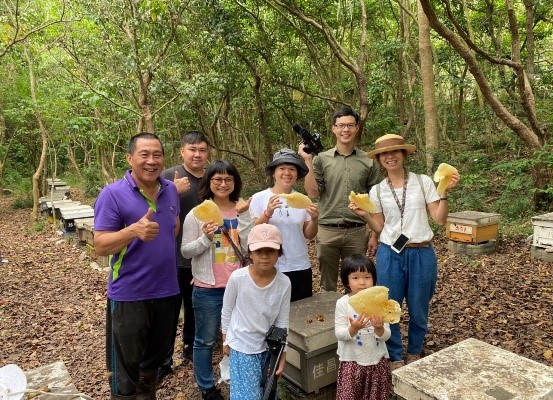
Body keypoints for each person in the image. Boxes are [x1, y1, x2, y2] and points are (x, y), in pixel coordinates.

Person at [349, 133, 460, 370]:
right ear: (379, 159)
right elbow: (380, 227)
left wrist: (444, 192)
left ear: (404, 154)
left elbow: (439, 220)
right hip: (390, 252)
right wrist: (366, 215)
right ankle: (396, 355)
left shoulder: (423, 182)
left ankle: (415, 352)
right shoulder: (378, 190)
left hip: (421, 252)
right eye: (384, 154)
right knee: (389, 306)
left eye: (395, 152)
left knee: (419, 306)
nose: (390, 157)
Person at [94, 132, 181, 400]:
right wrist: (132, 231)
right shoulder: (113, 194)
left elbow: (173, 228)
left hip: (167, 292)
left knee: (153, 364)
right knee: (125, 368)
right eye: (144, 154)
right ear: (130, 158)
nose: (151, 161)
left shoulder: (171, 190)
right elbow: (100, 246)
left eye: (157, 154)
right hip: (130, 293)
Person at [181, 160, 253, 400]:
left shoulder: (242, 208)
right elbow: (185, 251)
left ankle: (239, 377)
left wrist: (243, 217)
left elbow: (250, 244)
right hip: (208, 287)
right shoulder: (198, 213)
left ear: (235, 182)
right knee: (206, 339)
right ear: (208, 182)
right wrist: (204, 239)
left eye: (228, 179)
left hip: (240, 285)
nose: (223, 184)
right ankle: (206, 386)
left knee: (240, 335)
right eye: (217, 179)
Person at [298, 106, 381, 292]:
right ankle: (329, 320)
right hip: (327, 230)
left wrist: (374, 235)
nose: (346, 130)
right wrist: (308, 161)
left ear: (357, 128)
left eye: (350, 125)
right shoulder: (321, 159)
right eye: (341, 125)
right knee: (327, 285)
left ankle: (355, 320)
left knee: (358, 284)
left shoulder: (368, 161)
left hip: (357, 231)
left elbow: (376, 202)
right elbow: (313, 193)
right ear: (334, 128)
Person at [159, 131, 210, 380]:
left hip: (201, 255)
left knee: (194, 306)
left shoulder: (212, 178)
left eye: (202, 149)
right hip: (172, 257)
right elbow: (149, 206)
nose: (197, 154)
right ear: (182, 152)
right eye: (192, 149)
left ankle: (190, 348)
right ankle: (164, 360)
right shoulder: (169, 176)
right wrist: (171, 191)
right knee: (170, 309)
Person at [221, 223, 291, 400]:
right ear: (250, 253)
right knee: (247, 396)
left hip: (269, 348)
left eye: (271, 251)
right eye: (259, 251)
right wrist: (225, 339)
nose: (265, 256)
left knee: (266, 393)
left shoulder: (284, 283)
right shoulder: (238, 278)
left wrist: (283, 354)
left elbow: (282, 321)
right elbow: (227, 309)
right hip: (242, 345)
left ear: (279, 253)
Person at [250, 148, 319, 301]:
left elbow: (309, 234)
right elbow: (251, 231)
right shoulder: (259, 198)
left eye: (292, 169)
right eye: (282, 168)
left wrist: (314, 219)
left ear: (297, 174)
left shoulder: (303, 200)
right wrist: (267, 213)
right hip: (270, 266)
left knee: (301, 313)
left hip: (300, 265)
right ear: (274, 172)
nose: (287, 173)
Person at [335, 254, 391, 400]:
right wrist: (353, 329)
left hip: (376, 362)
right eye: (355, 278)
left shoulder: (380, 302)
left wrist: (379, 329)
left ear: (374, 279)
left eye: (367, 277)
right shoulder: (343, 303)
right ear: (347, 281)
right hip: (351, 362)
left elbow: (387, 335)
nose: (362, 282)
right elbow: (339, 333)